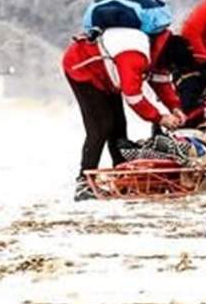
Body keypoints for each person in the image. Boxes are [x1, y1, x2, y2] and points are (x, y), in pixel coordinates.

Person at [62, 26, 194, 201]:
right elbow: (132, 96)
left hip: (106, 74)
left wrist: (175, 108)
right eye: (171, 68)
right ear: (168, 59)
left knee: (118, 126)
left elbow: (160, 81)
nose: (169, 72)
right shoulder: (135, 55)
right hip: (82, 68)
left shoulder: (158, 49)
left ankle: (122, 177)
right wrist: (160, 118)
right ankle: (84, 183)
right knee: (101, 126)